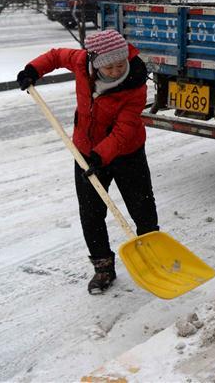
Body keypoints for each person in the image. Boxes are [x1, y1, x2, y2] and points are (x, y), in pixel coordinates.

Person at [16, 29, 158, 294]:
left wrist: (100, 156)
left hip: (127, 152)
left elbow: (125, 129)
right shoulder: (81, 61)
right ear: (95, 61)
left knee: (142, 208)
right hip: (85, 150)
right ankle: (103, 268)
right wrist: (33, 70)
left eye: (120, 64)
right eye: (109, 66)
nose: (116, 71)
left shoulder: (135, 83)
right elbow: (56, 56)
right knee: (91, 213)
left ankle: (153, 257)